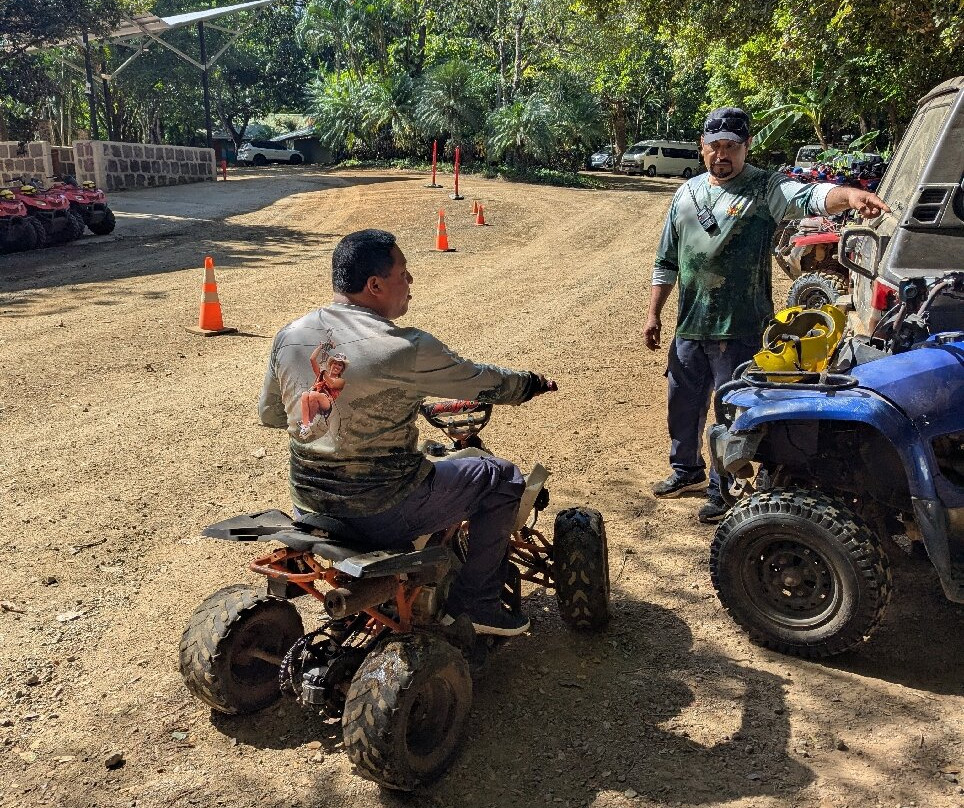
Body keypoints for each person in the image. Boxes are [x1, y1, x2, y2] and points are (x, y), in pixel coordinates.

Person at [259, 229, 554, 636]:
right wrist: (531, 383)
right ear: (375, 285)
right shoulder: (405, 347)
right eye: (404, 272)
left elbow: (273, 415)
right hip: (383, 510)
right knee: (502, 477)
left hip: (308, 505)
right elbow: (480, 381)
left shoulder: (289, 335)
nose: (411, 281)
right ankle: (480, 602)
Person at [644, 107, 890, 524]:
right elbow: (666, 261)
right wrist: (654, 314)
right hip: (691, 326)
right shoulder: (685, 194)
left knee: (732, 411)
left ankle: (725, 490)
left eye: (731, 147)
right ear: (703, 147)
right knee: (682, 404)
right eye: (714, 146)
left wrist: (849, 196)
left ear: (747, 146)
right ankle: (686, 471)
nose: (722, 154)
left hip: (741, 326)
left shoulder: (764, 188)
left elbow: (810, 196)